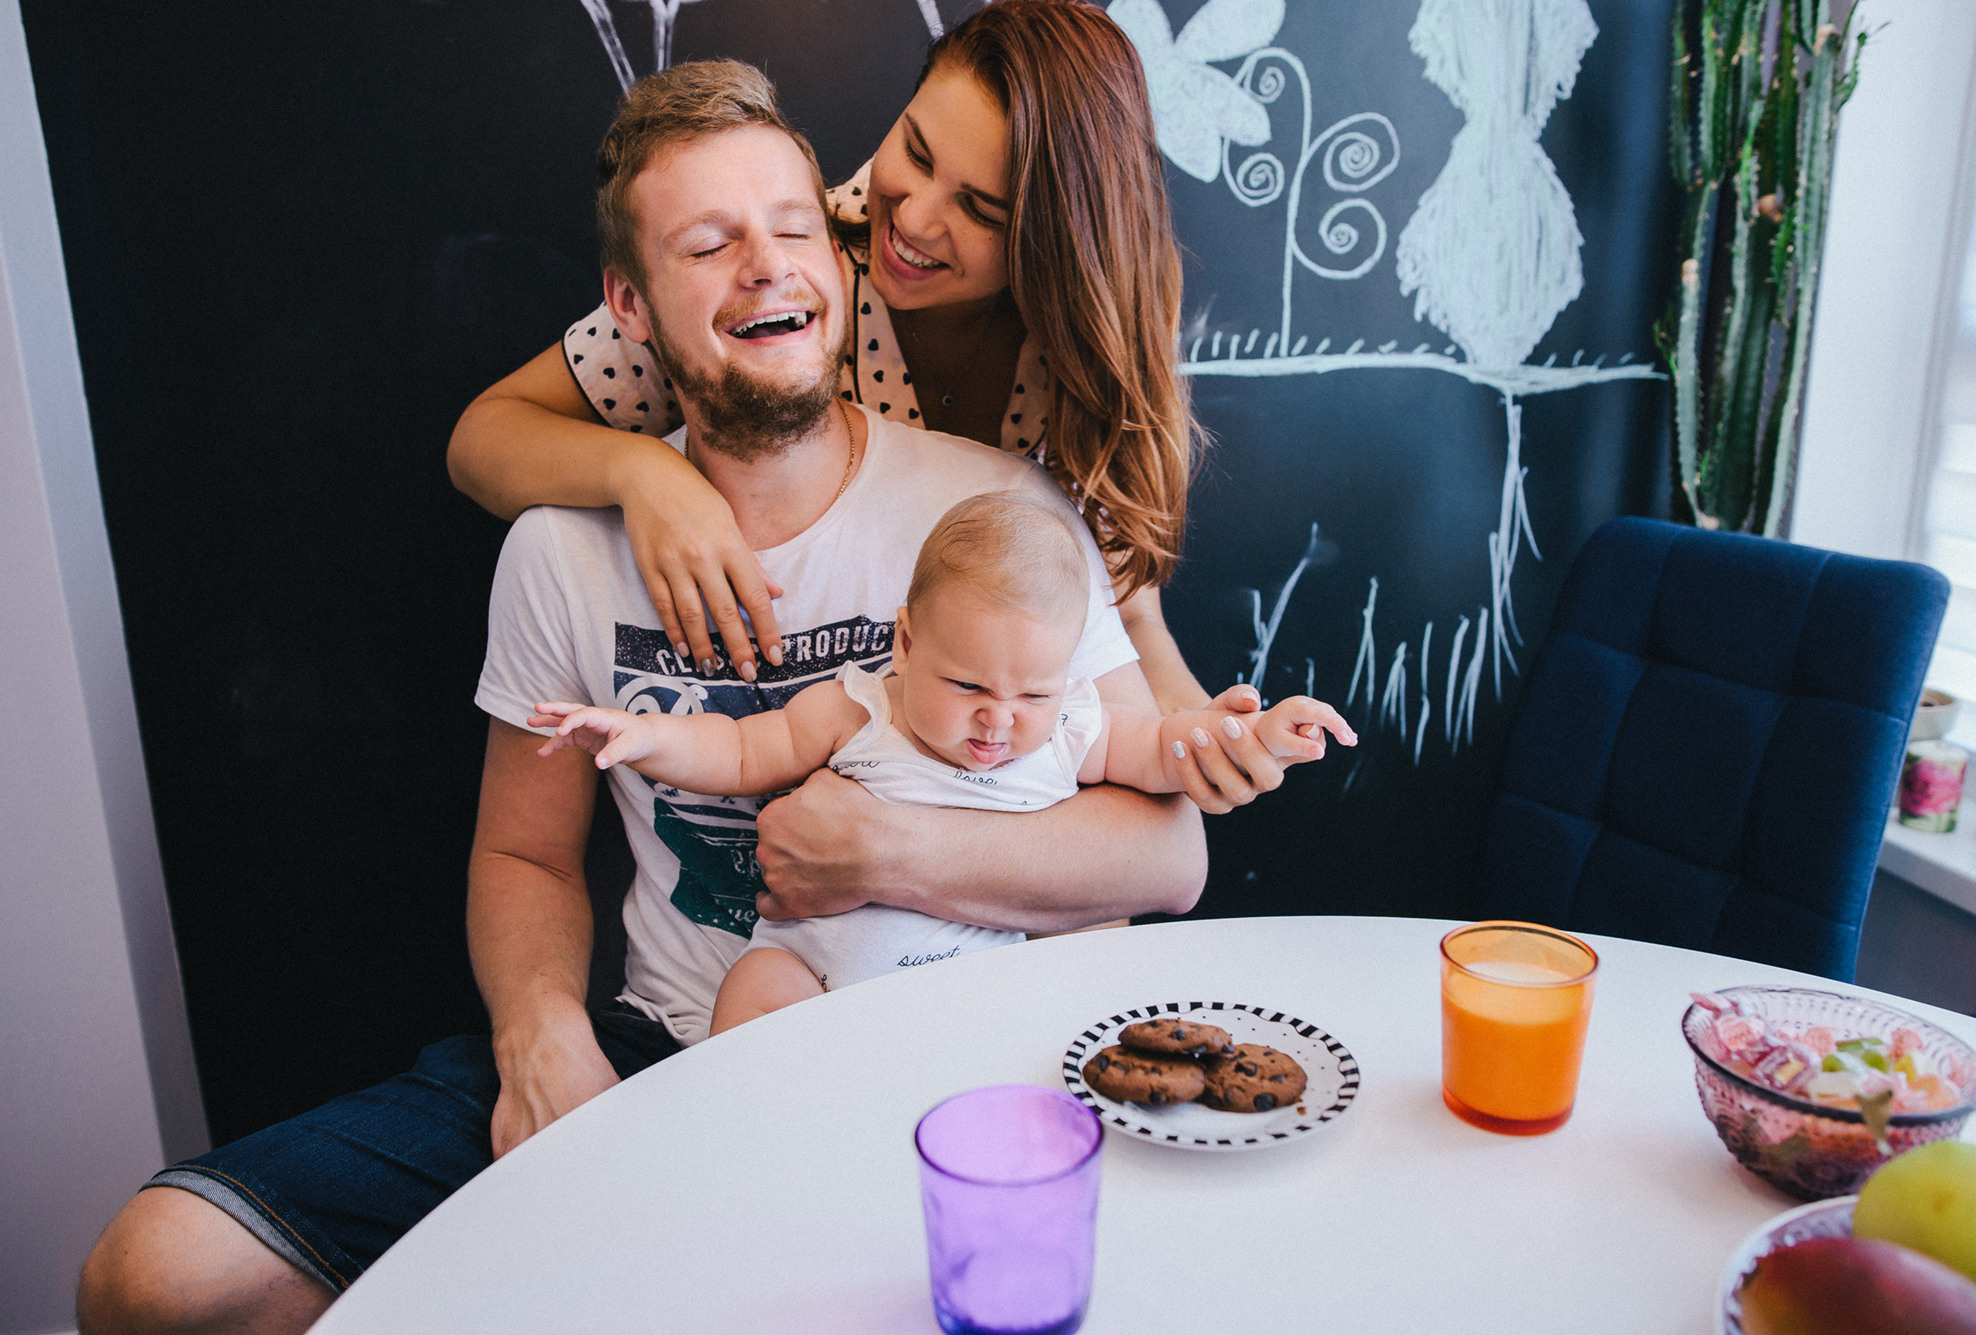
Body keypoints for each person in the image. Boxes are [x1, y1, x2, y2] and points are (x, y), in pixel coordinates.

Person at [77, 59, 1282, 1334]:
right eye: (708, 246)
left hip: (968, 1028)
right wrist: (542, 1032)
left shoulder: (993, 515)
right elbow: (522, 851)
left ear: (837, 257)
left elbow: (1160, 846)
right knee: (153, 1278)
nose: (764, 266)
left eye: (791, 229)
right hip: (678, 1037)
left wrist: (882, 846)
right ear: (631, 308)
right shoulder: (557, 549)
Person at [446, 0, 1279, 818]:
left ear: (1054, 239)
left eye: (981, 209)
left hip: (981, 797)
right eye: (912, 150)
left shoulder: (1082, 356)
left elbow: (1124, 618)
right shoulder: (780, 274)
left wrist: (1206, 743)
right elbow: (483, 438)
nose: (913, 218)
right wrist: (646, 474)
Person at [533, 492, 1353, 1035]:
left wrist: (1252, 735)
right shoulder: (864, 705)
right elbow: (745, 748)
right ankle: (752, 1129)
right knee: (753, 994)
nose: (998, 718)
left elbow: (1165, 752)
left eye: (1031, 692)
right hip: (814, 973)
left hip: (981, 998)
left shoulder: (1070, 725)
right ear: (908, 641)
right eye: (966, 685)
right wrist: (641, 738)